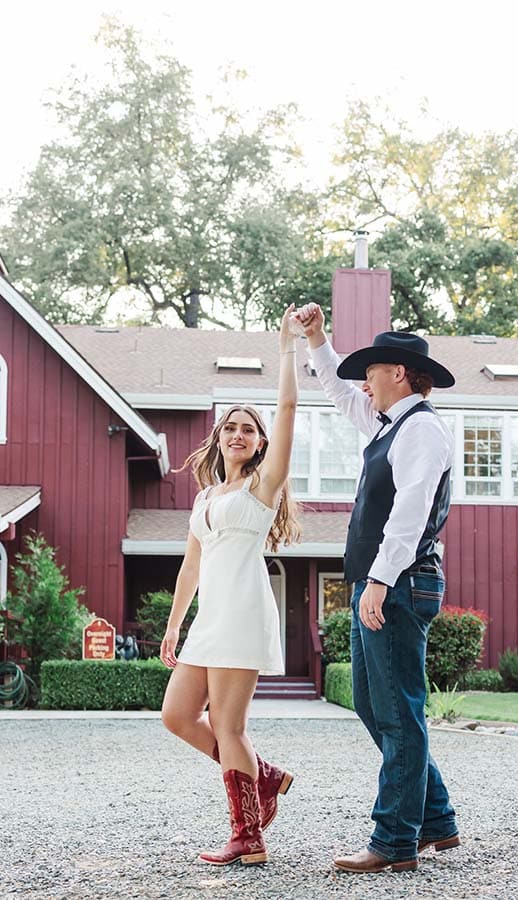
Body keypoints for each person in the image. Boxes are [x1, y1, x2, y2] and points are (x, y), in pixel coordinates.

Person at [296, 302, 459, 874]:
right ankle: (436, 819)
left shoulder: (422, 431)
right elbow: (340, 396)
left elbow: (410, 514)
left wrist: (380, 579)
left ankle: (394, 841)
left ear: (398, 372)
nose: (363, 383)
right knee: (374, 705)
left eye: (370, 372)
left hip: (399, 582)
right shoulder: (392, 425)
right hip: (385, 581)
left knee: (397, 714)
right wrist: (317, 339)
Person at [160, 305, 300, 867]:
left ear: (260, 443)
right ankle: (261, 777)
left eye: (249, 428)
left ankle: (248, 837)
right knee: (176, 715)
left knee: (227, 725)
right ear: (218, 438)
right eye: (230, 427)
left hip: (243, 613)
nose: (239, 434)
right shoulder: (204, 498)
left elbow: (287, 408)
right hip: (208, 621)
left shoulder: (263, 488)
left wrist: (287, 345)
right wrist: (174, 626)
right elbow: (190, 568)